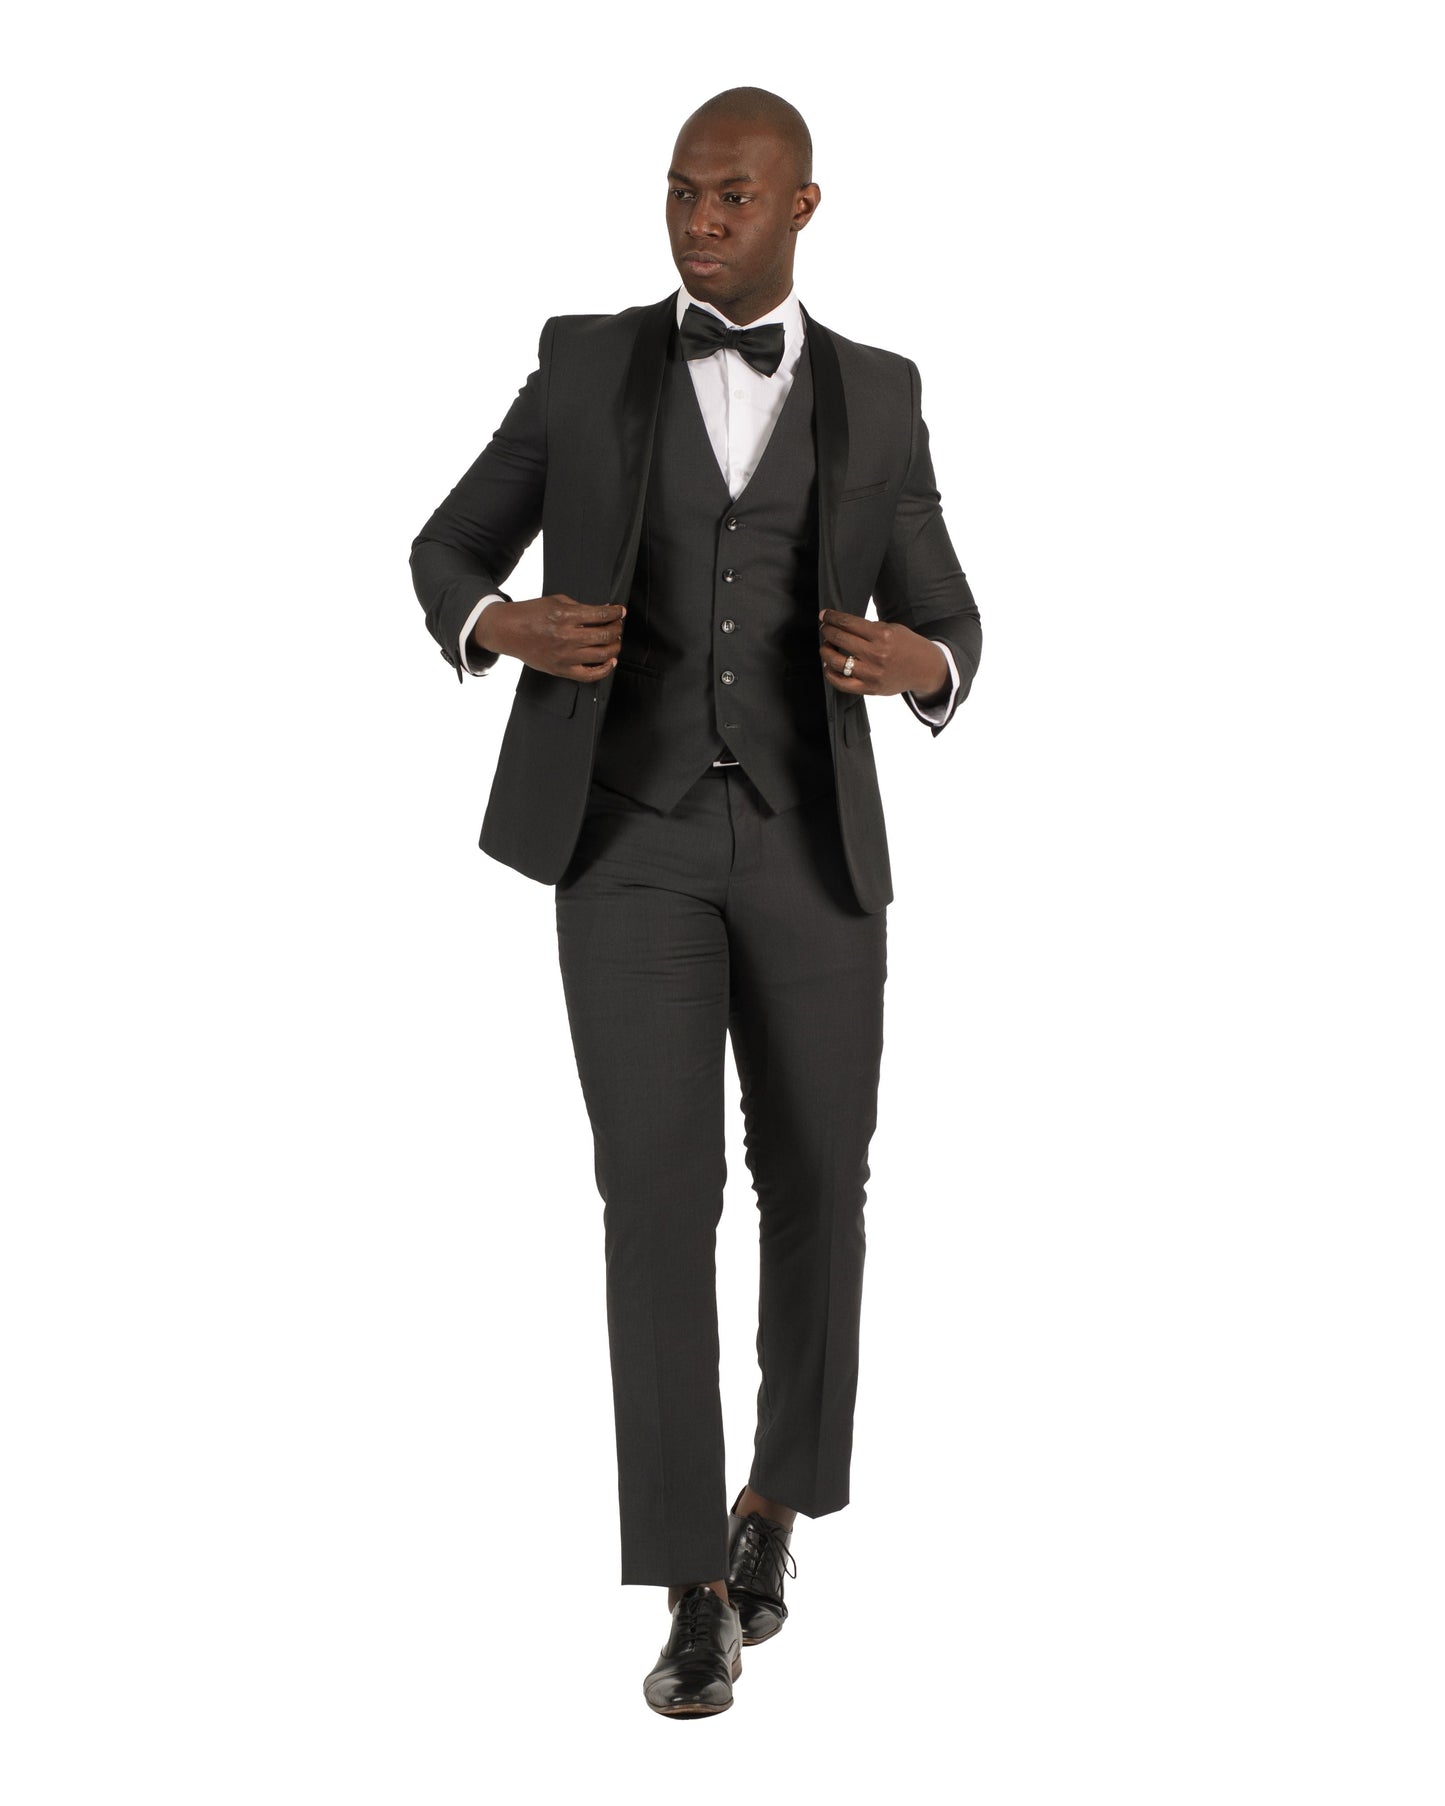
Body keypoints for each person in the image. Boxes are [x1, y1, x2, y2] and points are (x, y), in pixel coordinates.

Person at [408, 86, 983, 1719]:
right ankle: (687, 1586)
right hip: (628, 844)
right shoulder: (585, 364)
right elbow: (444, 550)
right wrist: (501, 624)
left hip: (813, 850)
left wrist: (921, 663)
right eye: (680, 192)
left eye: (732, 195)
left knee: (820, 1184)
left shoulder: (879, 392)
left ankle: (772, 1506)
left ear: (801, 206)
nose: (699, 220)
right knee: (654, 1199)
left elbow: (951, 617)